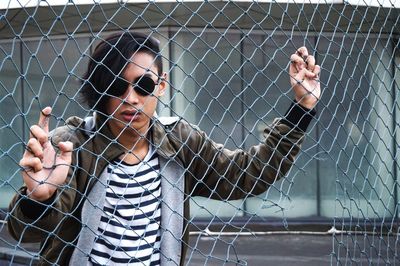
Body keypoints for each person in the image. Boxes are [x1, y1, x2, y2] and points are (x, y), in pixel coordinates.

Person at [7, 31, 321, 265]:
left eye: (143, 85)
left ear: (162, 84)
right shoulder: (71, 144)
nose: (131, 98)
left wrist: (302, 108)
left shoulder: (179, 140)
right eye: (117, 86)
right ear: (99, 88)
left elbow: (247, 174)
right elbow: (25, 233)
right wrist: (39, 199)